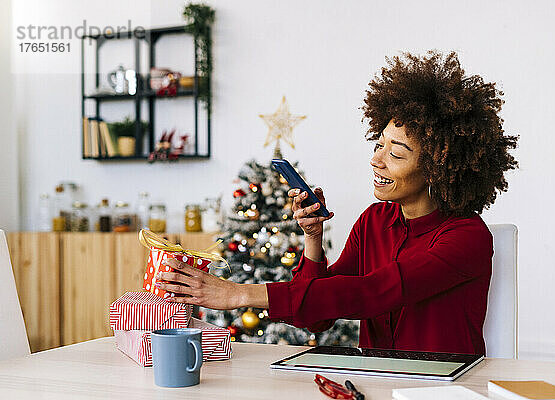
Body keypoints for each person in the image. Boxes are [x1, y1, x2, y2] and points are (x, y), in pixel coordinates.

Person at [156, 51, 519, 354]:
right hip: (376, 382)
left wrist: (239, 295)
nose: (377, 160)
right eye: (379, 145)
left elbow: (373, 293)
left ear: (437, 167)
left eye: (397, 153)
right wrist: (313, 238)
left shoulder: (466, 236)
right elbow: (317, 318)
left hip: (443, 389)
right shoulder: (375, 221)